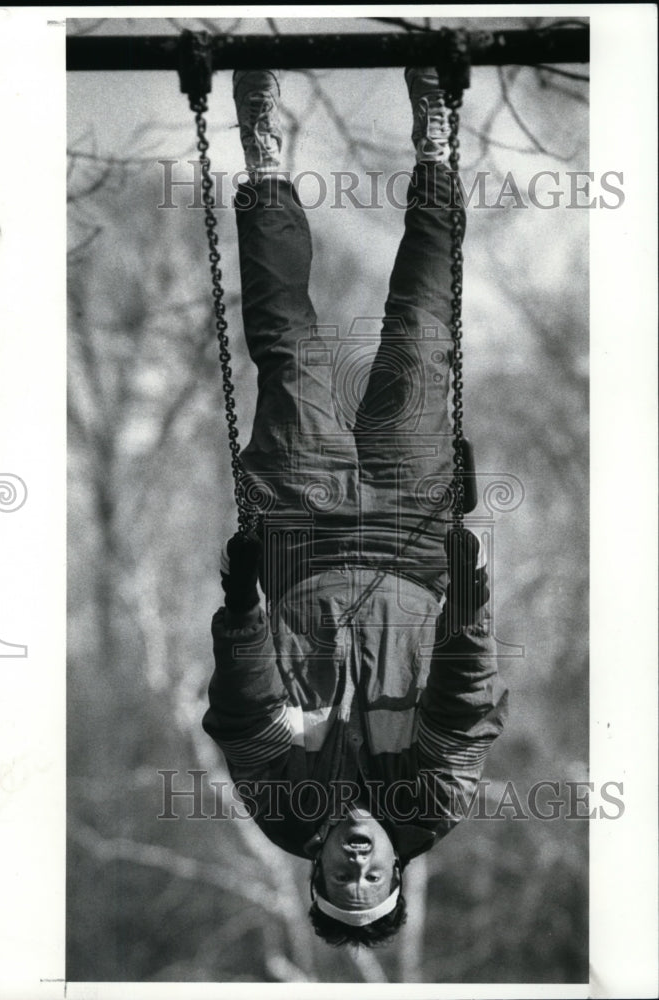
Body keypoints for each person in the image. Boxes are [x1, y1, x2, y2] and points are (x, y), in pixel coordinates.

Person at [202, 66, 509, 948]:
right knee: (420, 335)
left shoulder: (283, 807)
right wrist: (472, 606)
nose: (359, 861)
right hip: (413, 535)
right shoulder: (433, 804)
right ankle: (438, 147)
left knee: (289, 347)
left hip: (300, 532)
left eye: (345, 877)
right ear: (395, 869)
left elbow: (244, 713)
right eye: (374, 877)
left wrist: (239, 610)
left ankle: (261, 158)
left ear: (320, 870)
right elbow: (459, 708)